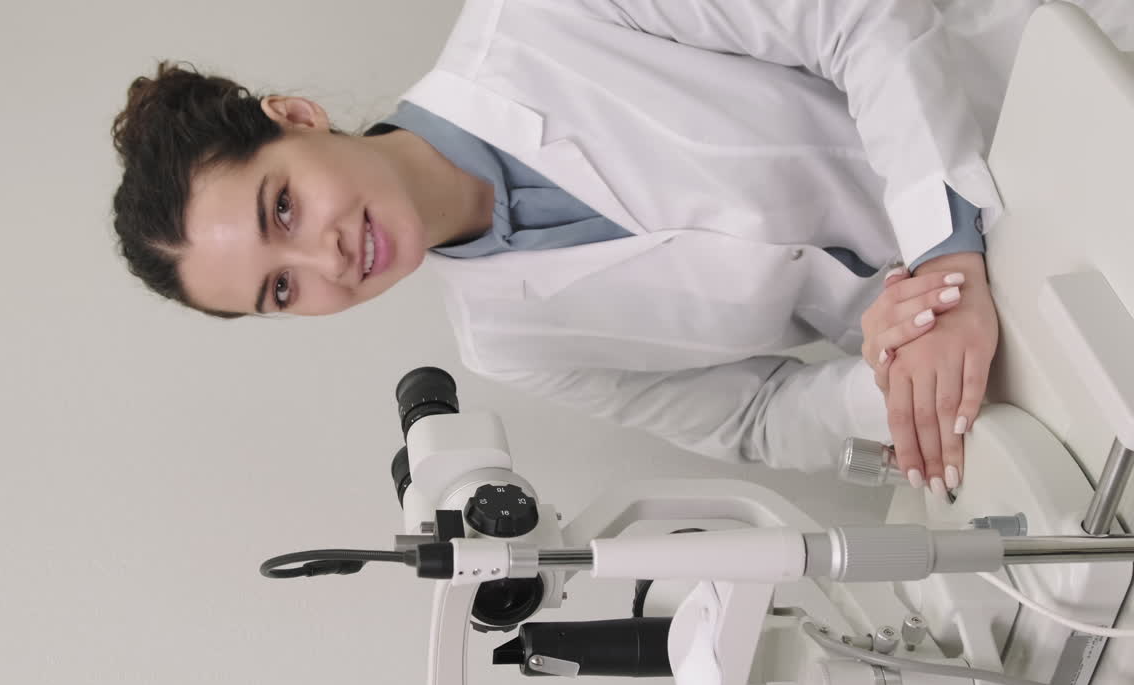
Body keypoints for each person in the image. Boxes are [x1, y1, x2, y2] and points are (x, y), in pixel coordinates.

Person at [110, 1, 1132, 498]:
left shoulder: (537, 18)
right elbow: (757, 415)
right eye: (281, 293)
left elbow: (854, 17)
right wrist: (892, 370)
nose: (326, 263)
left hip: (1052, 117)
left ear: (292, 115)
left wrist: (944, 260)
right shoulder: (507, 341)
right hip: (1019, 352)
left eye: (281, 209)